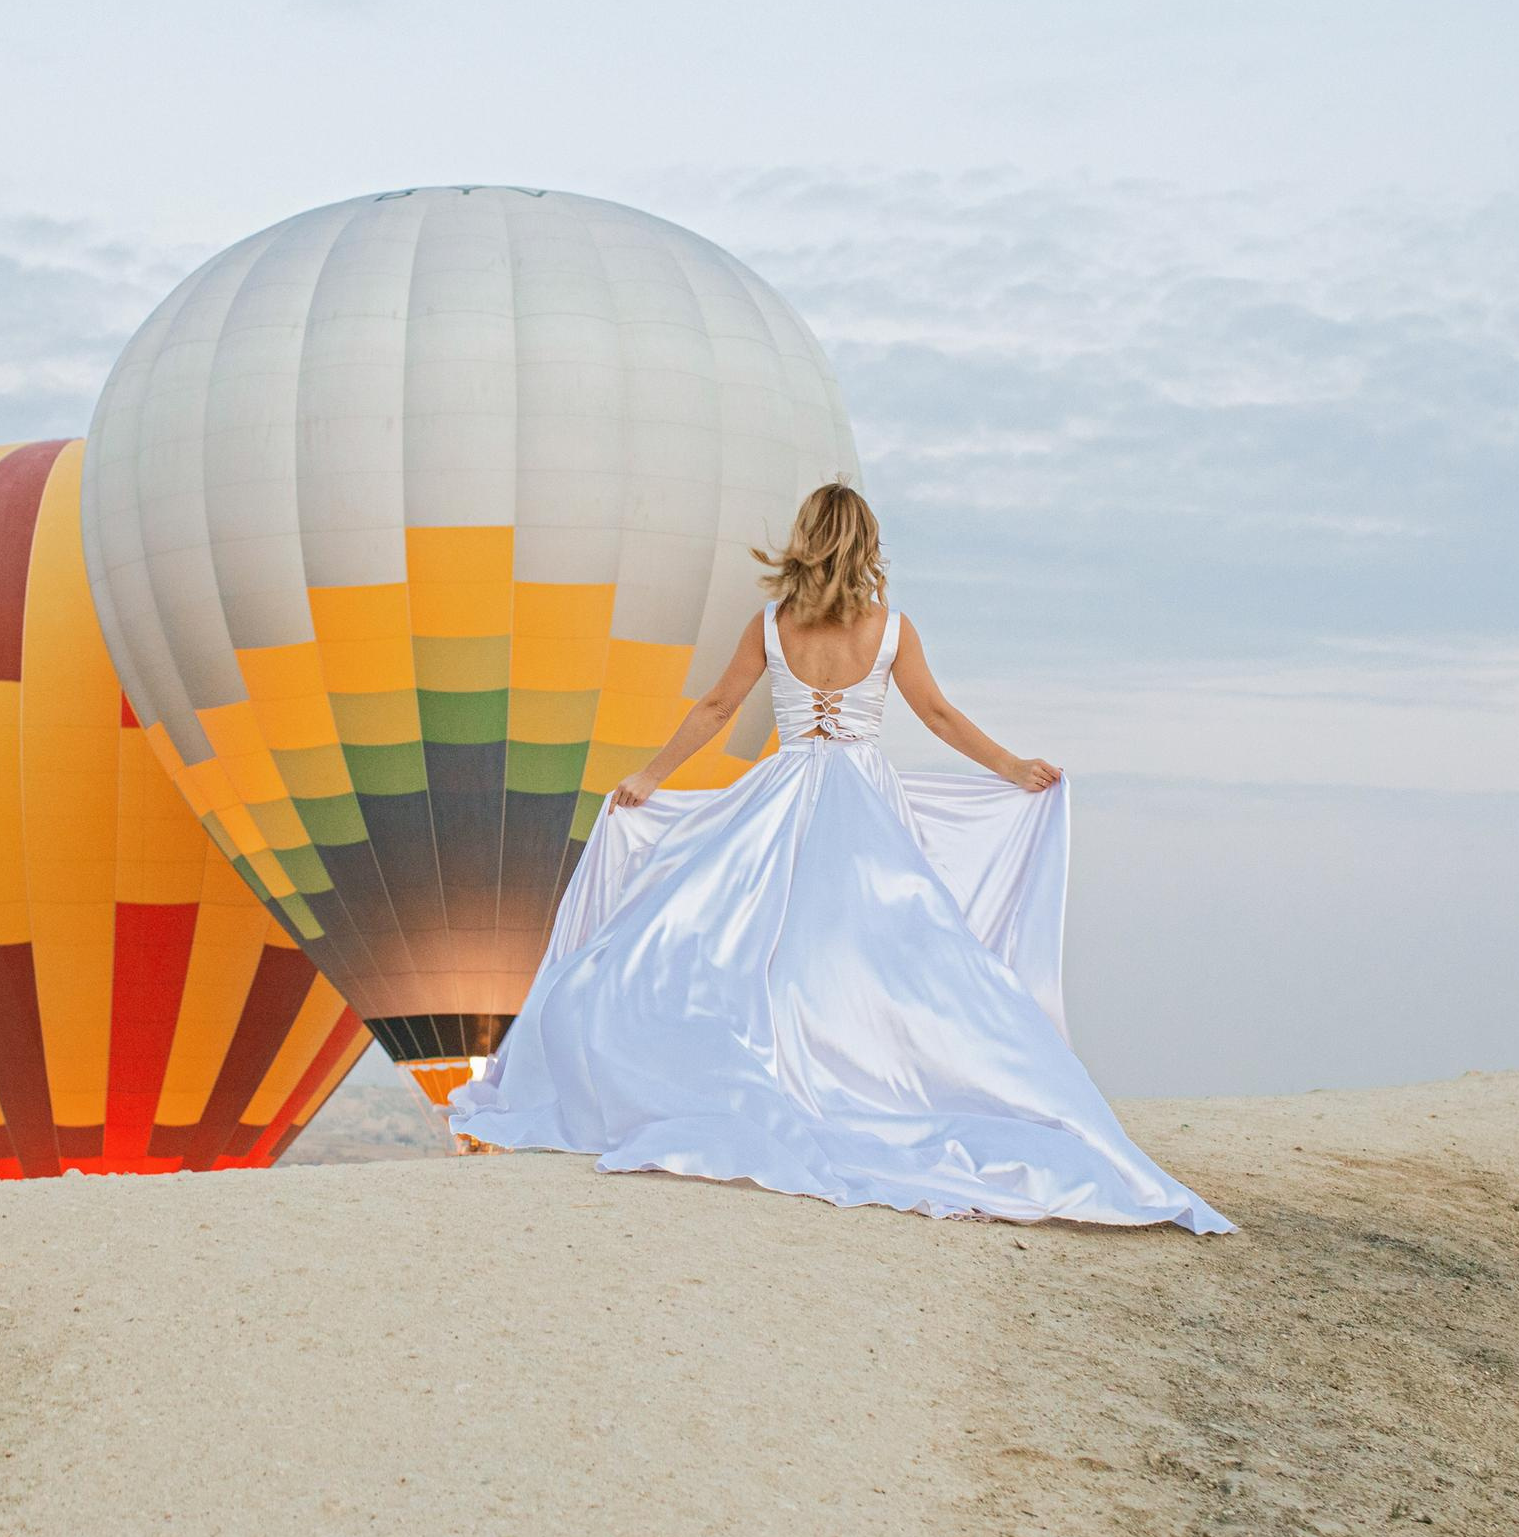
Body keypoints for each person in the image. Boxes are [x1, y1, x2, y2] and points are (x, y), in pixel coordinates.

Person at [450, 483, 1231, 1232]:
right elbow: (938, 714)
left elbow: (717, 709)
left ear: (805, 542)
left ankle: (779, 1079)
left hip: (782, 796)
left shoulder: (772, 623)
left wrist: (651, 775)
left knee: (744, 946)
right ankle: (878, 1077)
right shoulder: (891, 628)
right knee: (888, 954)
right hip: (862, 803)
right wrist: (1011, 766)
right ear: (864, 544)